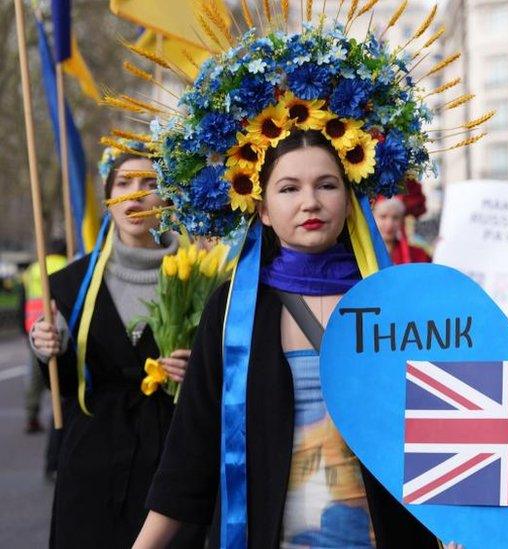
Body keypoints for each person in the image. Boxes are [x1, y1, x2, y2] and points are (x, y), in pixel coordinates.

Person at [126, 9, 479, 546]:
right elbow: (189, 460)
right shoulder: (231, 311)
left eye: (327, 185)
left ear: (353, 196)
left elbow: (454, 435)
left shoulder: (397, 302)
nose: (310, 202)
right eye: (288, 188)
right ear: (261, 207)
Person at [27, 142, 190, 547]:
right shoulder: (67, 283)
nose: (136, 193)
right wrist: (49, 346)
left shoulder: (201, 278)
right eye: (125, 182)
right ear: (109, 199)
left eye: (150, 183)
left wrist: (196, 370)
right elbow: (63, 386)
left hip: (171, 466)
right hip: (92, 464)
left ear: (168, 196)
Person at [20, 238, 67, 435]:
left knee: (34, 374)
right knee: (59, 372)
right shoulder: (67, 264)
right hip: (59, 327)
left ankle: (31, 414)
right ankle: (60, 414)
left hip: (34, 327)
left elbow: (22, 299)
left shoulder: (33, 269)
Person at [373, 194, 432, 264]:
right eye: (383, 217)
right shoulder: (361, 256)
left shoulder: (419, 256)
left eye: (395, 218)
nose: (389, 224)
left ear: (402, 221)